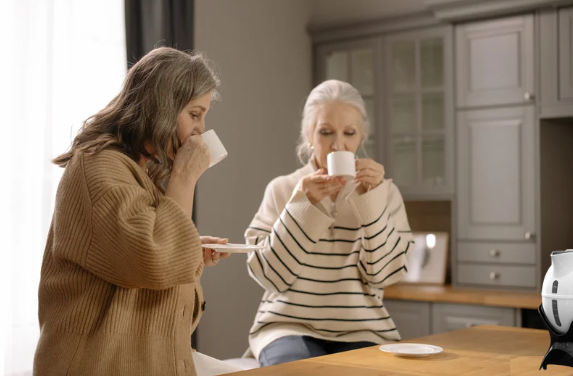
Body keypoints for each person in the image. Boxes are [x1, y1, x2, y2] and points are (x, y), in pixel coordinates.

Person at [33, 47, 230, 376]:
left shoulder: (141, 178)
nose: (201, 130)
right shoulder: (98, 167)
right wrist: (184, 176)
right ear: (162, 108)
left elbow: (166, 300)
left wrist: (189, 251)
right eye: (194, 114)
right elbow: (153, 260)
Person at [244, 79, 414, 366]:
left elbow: (384, 276)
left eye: (349, 133)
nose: (338, 145)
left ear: (361, 138)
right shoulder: (282, 189)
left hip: (364, 328)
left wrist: (371, 203)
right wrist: (303, 206)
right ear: (308, 134)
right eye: (325, 132)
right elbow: (270, 276)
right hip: (286, 327)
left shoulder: (384, 192)